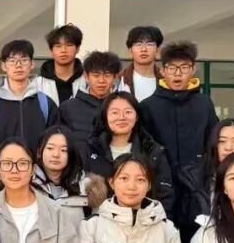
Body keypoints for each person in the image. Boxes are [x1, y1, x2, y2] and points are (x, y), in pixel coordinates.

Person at [138, 40, 219, 190]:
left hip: (198, 184)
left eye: (184, 67)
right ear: (163, 71)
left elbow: (213, 142)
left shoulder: (204, 104)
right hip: (160, 184)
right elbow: (142, 147)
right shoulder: (148, 106)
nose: (178, 73)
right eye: (172, 68)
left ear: (193, 69)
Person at [83, 92, 175, 217]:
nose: (122, 117)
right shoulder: (91, 150)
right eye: (115, 112)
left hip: (144, 222)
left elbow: (165, 195)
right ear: (105, 117)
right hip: (101, 223)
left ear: (136, 117)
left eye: (128, 112)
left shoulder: (152, 151)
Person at [0, 39, 61, 157]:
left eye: (24, 60)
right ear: (4, 66)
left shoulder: (46, 103)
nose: (18, 65)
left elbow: (55, 141)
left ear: (32, 64)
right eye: (12, 60)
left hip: (37, 168)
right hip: (3, 167)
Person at [59, 51, 125, 147]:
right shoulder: (67, 108)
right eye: (96, 75)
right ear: (86, 76)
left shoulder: (124, 106)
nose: (101, 81)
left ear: (115, 77)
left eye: (107, 75)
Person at [33, 24, 85, 104]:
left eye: (69, 45)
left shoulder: (87, 81)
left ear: (77, 49)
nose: (63, 50)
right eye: (58, 46)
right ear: (51, 50)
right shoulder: (38, 84)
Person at [121, 26, 163, 101]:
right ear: (130, 51)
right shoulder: (120, 79)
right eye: (138, 44)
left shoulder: (166, 79)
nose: (143, 49)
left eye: (149, 44)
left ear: (158, 50)